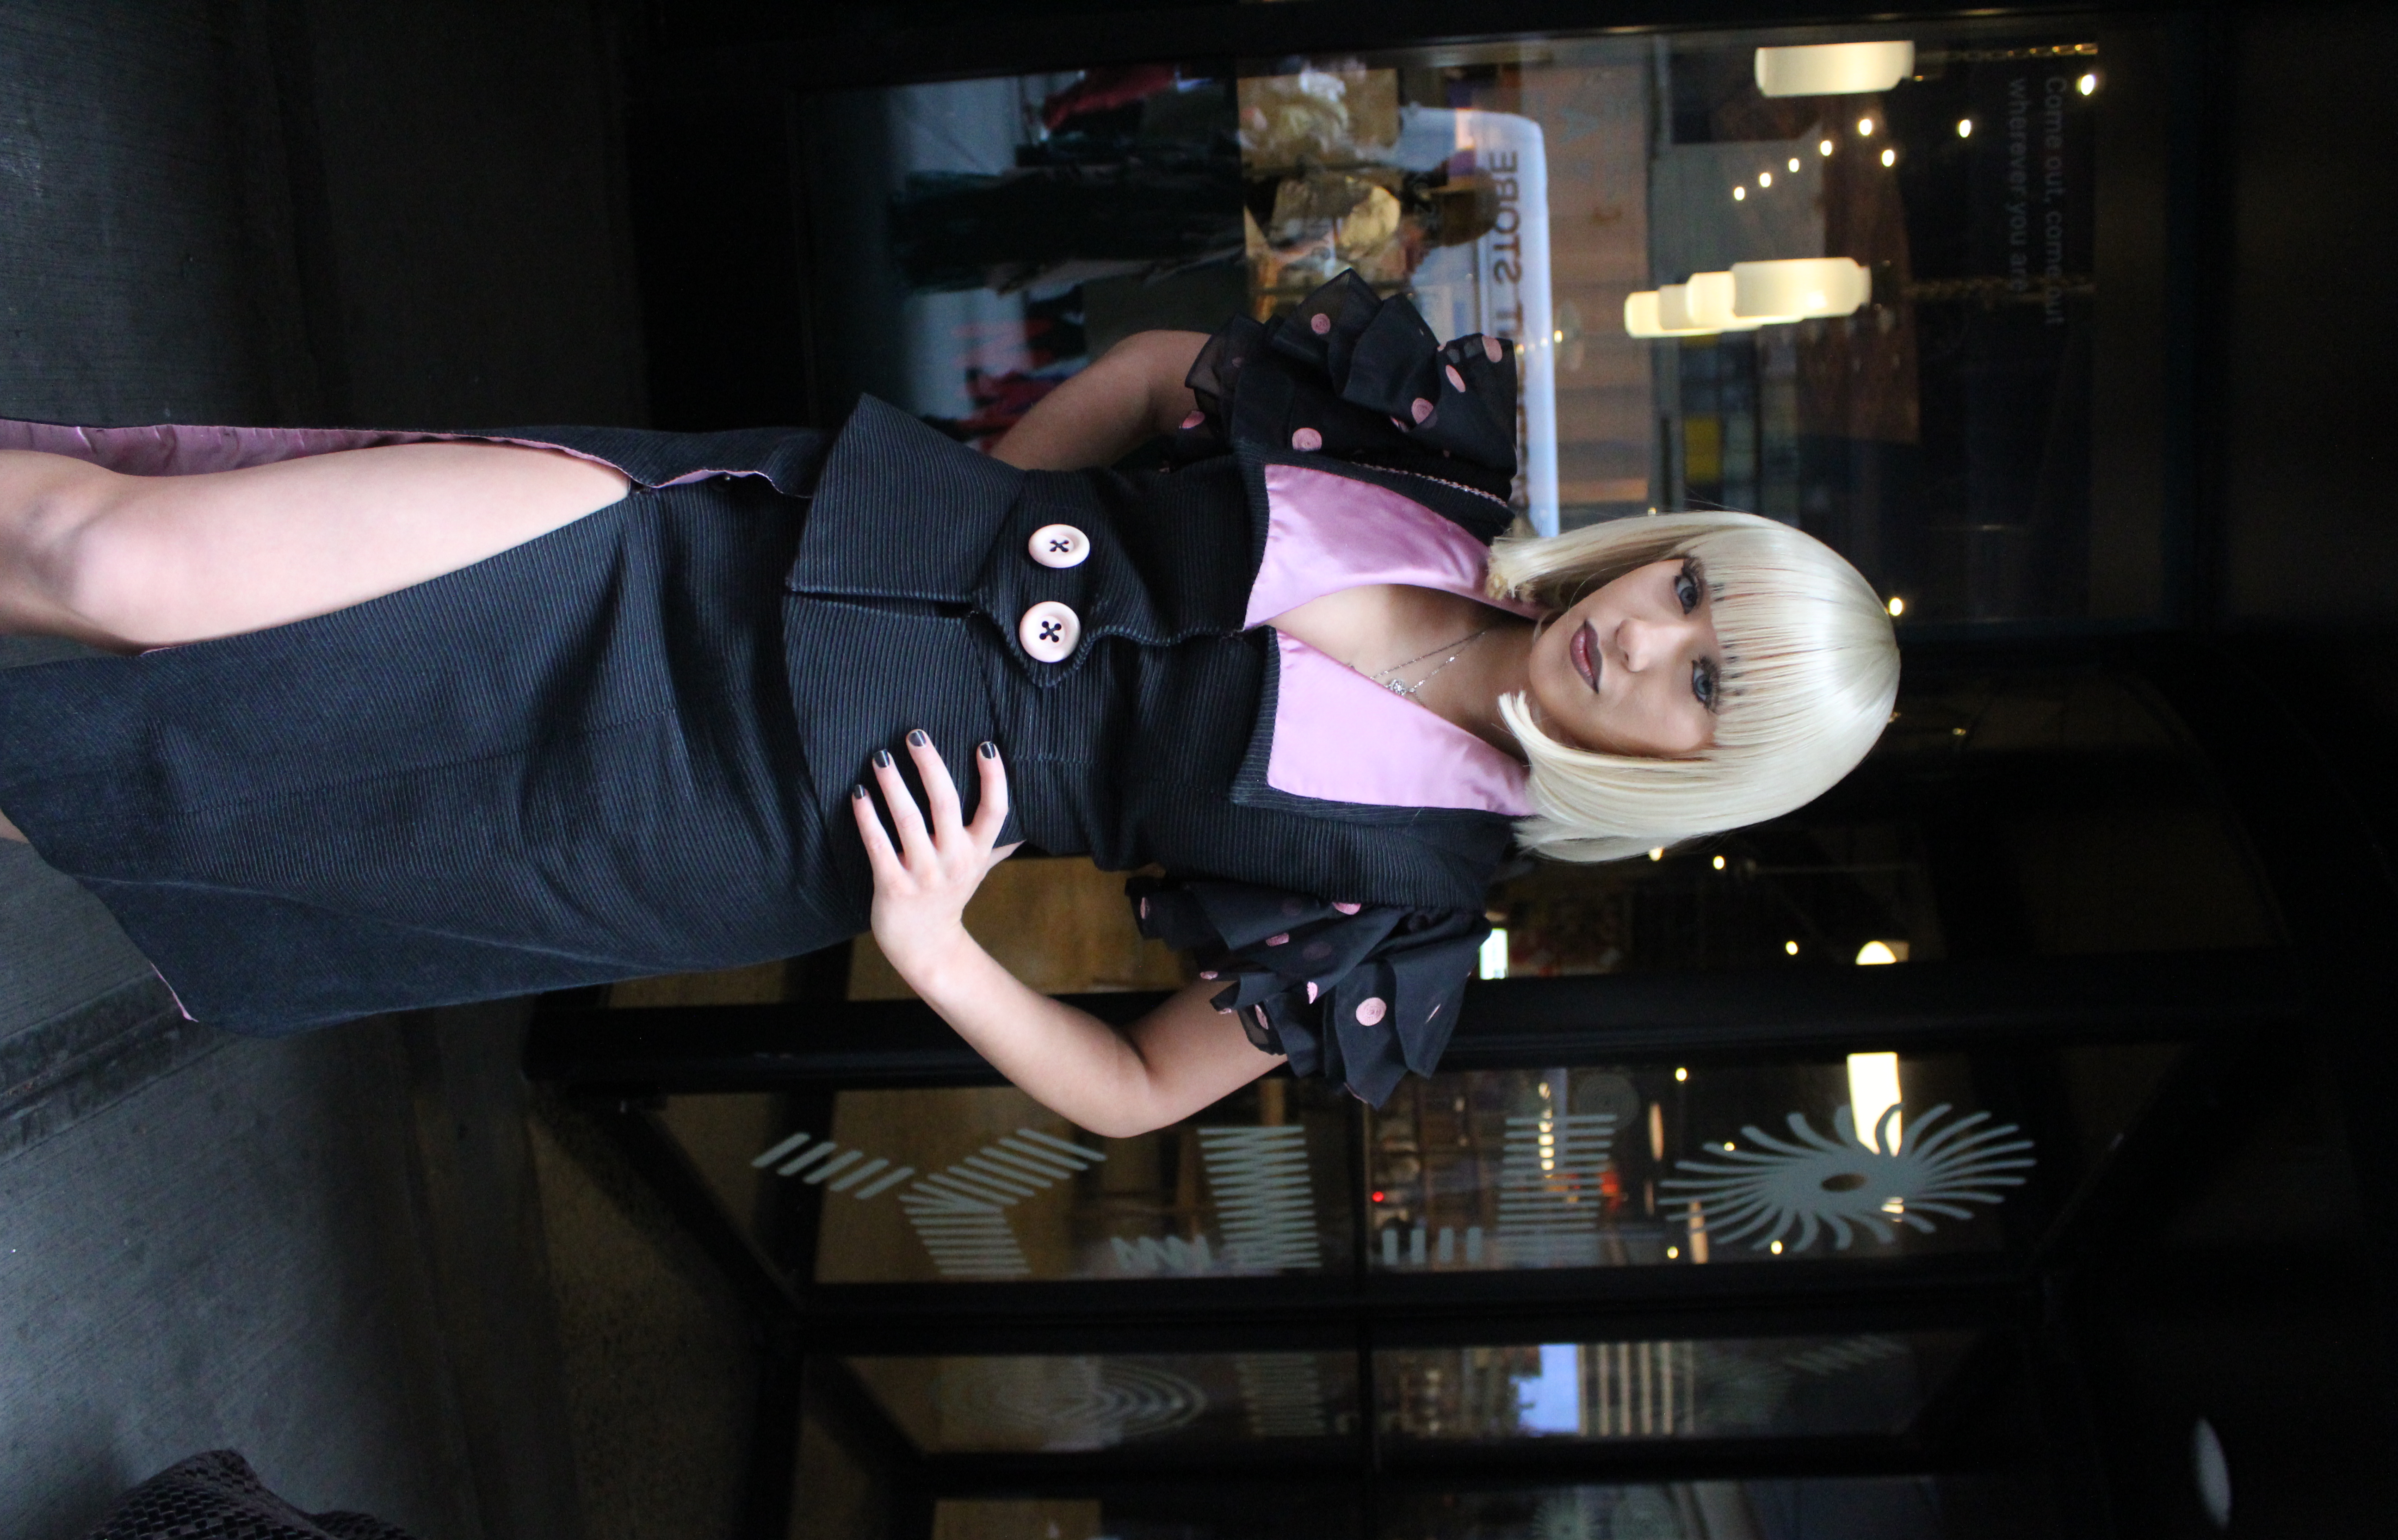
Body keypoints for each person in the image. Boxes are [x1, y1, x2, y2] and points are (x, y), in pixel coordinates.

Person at [0, 273, 1897, 1135]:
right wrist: (971, 502)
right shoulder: (1432, 467)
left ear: (1696, 770)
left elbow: (1152, 1090)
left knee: (173, 770)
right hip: (729, 558)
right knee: (120, 570)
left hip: (726, 819)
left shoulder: (1413, 906)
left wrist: (944, 947)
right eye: (1690, 590)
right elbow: (1167, 363)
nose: (1647, 635)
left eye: (1704, 679)